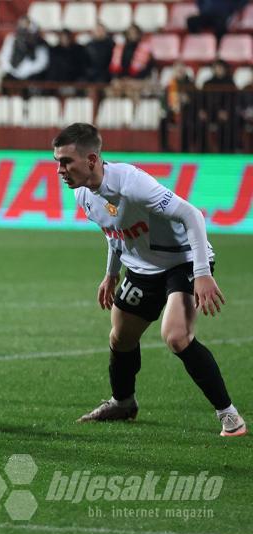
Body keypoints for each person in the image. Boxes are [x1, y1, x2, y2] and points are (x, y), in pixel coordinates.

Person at [52, 123, 246, 438]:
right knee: (121, 337)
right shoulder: (83, 194)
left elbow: (192, 215)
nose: (60, 169)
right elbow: (115, 233)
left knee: (176, 337)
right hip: (142, 266)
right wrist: (112, 272)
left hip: (183, 261)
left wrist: (202, 273)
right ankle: (123, 402)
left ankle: (230, 417)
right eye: (57, 162)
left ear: (91, 160)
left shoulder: (132, 184)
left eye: (66, 162)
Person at [0, 16, 49, 95]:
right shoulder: (11, 39)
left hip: (31, 75)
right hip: (13, 73)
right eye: (22, 26)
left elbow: (42, 63)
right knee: (6, 82)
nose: (24, 29)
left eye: (26, 26)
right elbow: (3, 58)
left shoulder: (40, 42)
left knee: (37, 84)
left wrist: (25, 69)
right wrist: (14, 69)